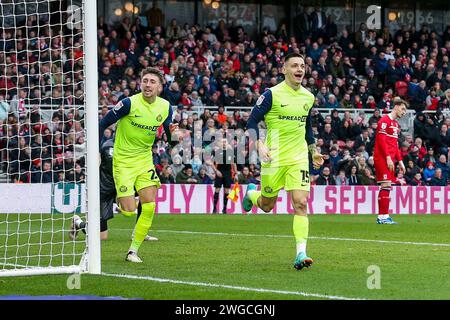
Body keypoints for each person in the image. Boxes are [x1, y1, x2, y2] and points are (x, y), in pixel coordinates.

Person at [242, 53, 324, 270]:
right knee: (267, 206)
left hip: (298, 158)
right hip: (274, 158)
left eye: (302, 65)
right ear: (284, 69)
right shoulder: (271, 94)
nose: (299, 69)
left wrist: (313, 150)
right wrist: (259, 144)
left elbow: (306, 126)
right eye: (294, 65)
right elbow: (251, 121)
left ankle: (301, 253)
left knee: (301, 203)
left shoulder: (308, 97)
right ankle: (252, 192)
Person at [98, 67, 178, 263]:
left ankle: (132, 251)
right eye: (145, 81)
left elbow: (169, 138)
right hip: (123, 161)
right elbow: (102, 124)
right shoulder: (128, 104)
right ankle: (91, 220)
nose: (147, 84)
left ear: (160, 87)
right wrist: (97, 150)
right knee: (127, 211)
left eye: (152, 82)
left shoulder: (165, 107)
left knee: (149, 206)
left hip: (144, 160)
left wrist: (174, 135)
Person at [69, 138, 158, 242]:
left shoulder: (132, 144)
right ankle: (78, 222)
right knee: (101, 236)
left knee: (145, 195)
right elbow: (114, 168)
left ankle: (139, 232)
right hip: (106, 189)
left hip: (122, 183)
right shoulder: (109, 146)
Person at [373, 98, 408, 224]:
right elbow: (381, 141)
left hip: (390, 159)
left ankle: (383, 216)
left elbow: (395, 145)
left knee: (387, 186)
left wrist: (400, 161)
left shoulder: (395, 124)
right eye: (403, 109)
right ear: (396, 106)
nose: (404, 112)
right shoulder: (384, 120)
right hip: (382, 157)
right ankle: (383, 217)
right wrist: (388, 157)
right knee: (386, 184)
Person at [212, 138, 237, 214]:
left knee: (226, 191)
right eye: (222, 142)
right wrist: (216, 171)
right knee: (217, 190)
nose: (224, 143)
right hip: (219, 172)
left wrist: (235, 174)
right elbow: (211, 163)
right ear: (219, 143)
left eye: (225, 142)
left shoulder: (231, 152)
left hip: (228, 173)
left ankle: (224, 209)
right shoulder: (216, 152)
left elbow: (233, 163)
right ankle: (214, 208)